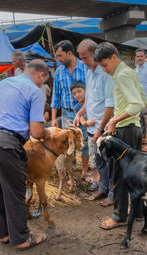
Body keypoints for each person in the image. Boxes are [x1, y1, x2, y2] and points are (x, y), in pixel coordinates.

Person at [0, 59, 51, 250]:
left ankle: (5, 234)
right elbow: (36, 132)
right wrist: (46, 133)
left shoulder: (4, 83)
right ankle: (22, 239)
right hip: (5, 143)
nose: (42, 83)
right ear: (41, 74)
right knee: (15, 191)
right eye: (44, 80)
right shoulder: (35, 91)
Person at [94, 42, 147, 230]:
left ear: (114, 58)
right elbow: (143, 99)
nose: (104, 69)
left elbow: (135, 105)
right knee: (135, 173)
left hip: (125, 130)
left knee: (119, 173)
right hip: (134, 129)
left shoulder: (123, 75)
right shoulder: (131, 72)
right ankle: (138, 211)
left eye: (104, 65)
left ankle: (118, 216)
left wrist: (114, 121)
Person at [74, 39, 115, 204]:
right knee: (99, 162)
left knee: (110, 163)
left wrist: (101, 127)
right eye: (81, 58)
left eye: (86, 58)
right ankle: (103, 189)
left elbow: (110, 105)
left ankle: (113, 195)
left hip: (104, 128)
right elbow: (89, 99)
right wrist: (80, 113)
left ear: (95, 54)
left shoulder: (106, 73)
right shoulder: (88, 72)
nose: (83, 62)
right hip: (93, 129)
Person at [50, 40, 90, 180]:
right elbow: (56, 95)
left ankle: (84, 171)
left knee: (84, 142)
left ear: (69, 53)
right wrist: (54, 118)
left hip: (85, 112)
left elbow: (91, 92)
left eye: (60, 56)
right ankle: (70, 173)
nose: (58, 59)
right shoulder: (59, 72)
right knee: (68, 144)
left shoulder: (85, 68)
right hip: (67, 113)